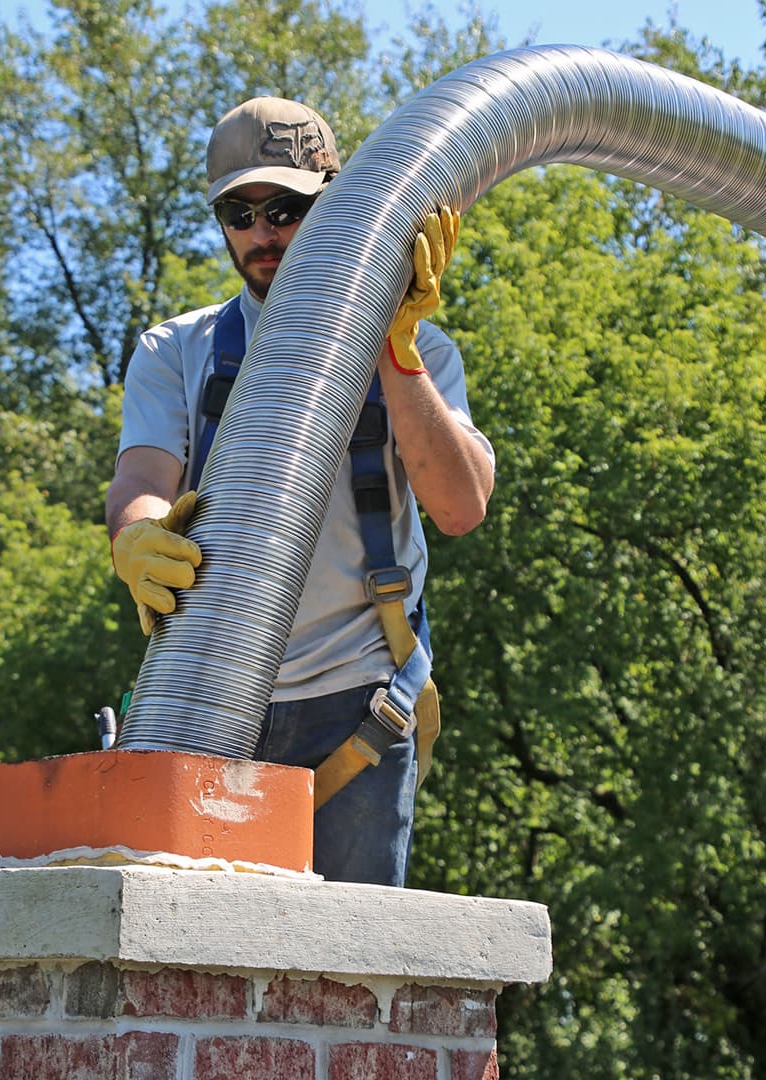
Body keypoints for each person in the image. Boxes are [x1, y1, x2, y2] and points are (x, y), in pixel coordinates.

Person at [107, 96, 495, 887]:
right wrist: (136, 536)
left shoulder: (418, 350)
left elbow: (460, 507)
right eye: (239, 211)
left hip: (357, 706)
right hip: (207, 694)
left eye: (284, 207)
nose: (262, 233)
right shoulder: (177, 351)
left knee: (348, 977)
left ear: (334, 201)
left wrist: (394, 349)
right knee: (191, 973)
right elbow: (144, 481)